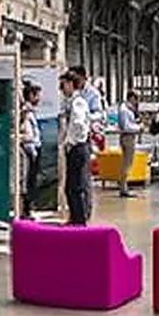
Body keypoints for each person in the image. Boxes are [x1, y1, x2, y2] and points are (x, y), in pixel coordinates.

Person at [59, 70, 92, 226]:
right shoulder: (71, 101)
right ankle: (75, 217)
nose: (62, 88)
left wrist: (70, 142)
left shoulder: (78, 102)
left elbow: (78, 125)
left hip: (77, 148)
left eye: (64, 84)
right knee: (70, 186)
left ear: (71, 84)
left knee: (75, 187)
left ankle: (79, 220)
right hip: (75, 147)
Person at [19, 82, 42, 219]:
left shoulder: (31, 111)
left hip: (33, 148)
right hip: (27, 148)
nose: (39, 99)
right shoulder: (25, 111)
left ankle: (28, 209)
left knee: (31, 181)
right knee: (27, 181)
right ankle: (25, 210)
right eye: (37, 95)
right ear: (31, 95)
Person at [117, 90, 142, 199]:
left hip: (130, 136)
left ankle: (124, 185)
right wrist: (139, 128)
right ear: (131, 98)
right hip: (127, 137)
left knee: (128, 162)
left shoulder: (128, 109)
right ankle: (123, 187)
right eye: (136, 98)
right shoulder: (124, 110)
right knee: (126, 163)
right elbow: (126, 126)